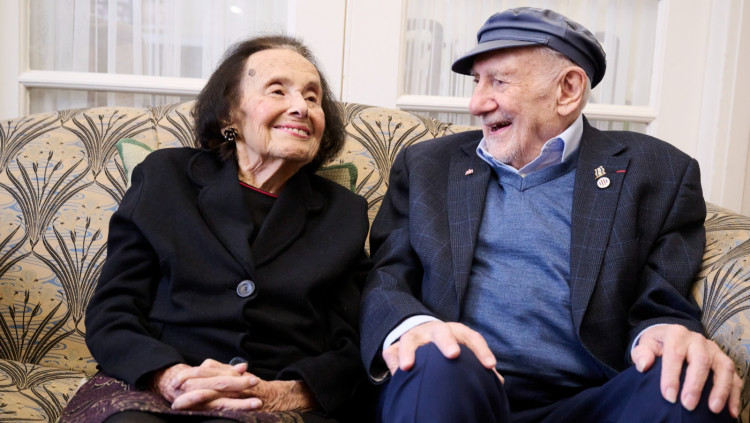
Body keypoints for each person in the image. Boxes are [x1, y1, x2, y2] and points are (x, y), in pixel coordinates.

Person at [360, 7, 742, 423]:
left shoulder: (657, 172)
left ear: (568, 89)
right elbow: (386, 277)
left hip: (596, 404)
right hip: (455, 386)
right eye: (476, 81)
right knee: (435, 364)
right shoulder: (426, 166)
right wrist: (415, 327)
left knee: (690, 385)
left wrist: (667, 335)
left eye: (498, 81)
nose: (476, 103)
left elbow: (663, 301)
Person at [60, 35, 372, 423]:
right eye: (278, 91)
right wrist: (169, 376)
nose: (301, 108)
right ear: (229, 116)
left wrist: (286, 393)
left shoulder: (344, 212)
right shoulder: (166, 178)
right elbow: (113, 310)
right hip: (155, 384)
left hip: (277, 398)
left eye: (312, 98)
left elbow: (356, 343)